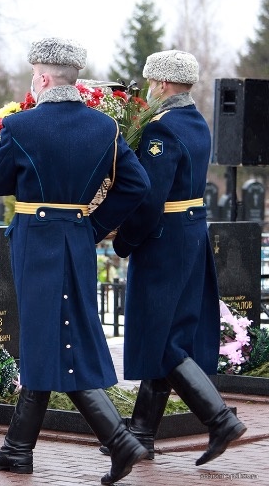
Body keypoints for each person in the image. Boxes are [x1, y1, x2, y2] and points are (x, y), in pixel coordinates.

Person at [0, 37, 151, 484]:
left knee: (52, 341)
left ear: (45, 77)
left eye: (35, 72)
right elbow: (136, 185)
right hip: (75, 237)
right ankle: (18, 450)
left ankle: (120, 441)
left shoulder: (22, 126)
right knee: (47, 339)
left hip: (36, 241)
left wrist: (0, 136)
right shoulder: (103, 128)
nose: (33, 79)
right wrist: (92, 225)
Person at [111, 50, 246, 465]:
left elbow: (150, 198)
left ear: (164, 85)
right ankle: (141, 434)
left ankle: (219, 418)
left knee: (162, 337)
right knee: (169, 332)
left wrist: (124, 239)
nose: (149, 91)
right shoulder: (198, 123)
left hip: (163, 240)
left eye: (151, 83)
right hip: (190, 235)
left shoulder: (162, 129)